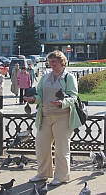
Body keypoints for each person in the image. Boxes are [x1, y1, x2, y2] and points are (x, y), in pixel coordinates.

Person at [24, 50, 82, 185]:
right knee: (41, 146)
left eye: (53, 61)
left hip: (62, 116)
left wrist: (62, 102)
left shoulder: (69, 77)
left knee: (61, 149)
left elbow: (73, 96)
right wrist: (33, 99)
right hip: (45, 116)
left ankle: (61, 177)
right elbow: (39, 95)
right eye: (49, 61)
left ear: (61, 62)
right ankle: (43, 174)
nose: (51, 64)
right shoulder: (45, 77)